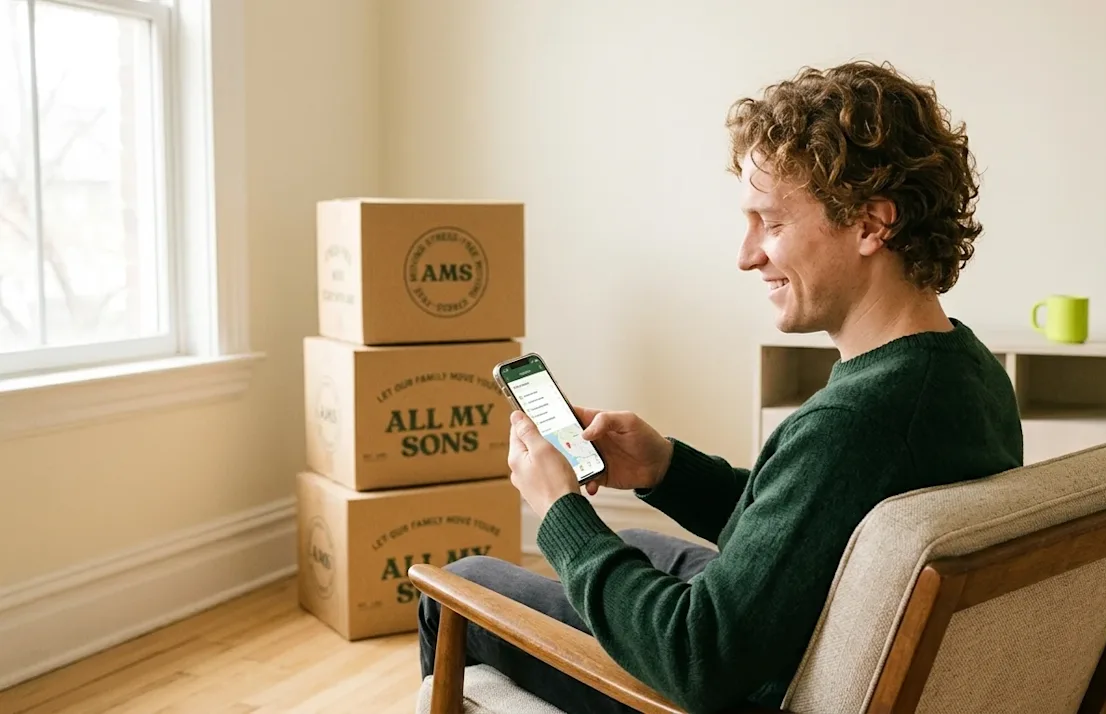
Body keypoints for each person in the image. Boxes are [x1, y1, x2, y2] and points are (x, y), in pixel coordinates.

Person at [418, 59, 1024, 714]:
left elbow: (695, 659)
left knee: (458, 584)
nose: (747, 254)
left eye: (773, 222)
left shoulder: (856, 421)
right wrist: (666, 469)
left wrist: (560, 510)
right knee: (635, 547)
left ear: (872, 225)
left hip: (749, 686)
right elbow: (822, 529)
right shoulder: (963, 369)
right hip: (810, 636)